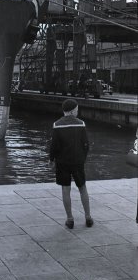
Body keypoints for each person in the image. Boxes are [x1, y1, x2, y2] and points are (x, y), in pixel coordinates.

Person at [49, 98, 94, 229]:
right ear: (73, 110)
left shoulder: (57, 125)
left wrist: (51, 159)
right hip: (78, 161)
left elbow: (54, 146)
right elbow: (86, 145)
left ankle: (70, 219)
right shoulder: (81, 124)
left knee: (65, 189)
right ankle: (88, 217)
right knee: (82, 188)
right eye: (77, 109)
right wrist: (82, 158)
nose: (77, 111)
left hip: (63, 162)